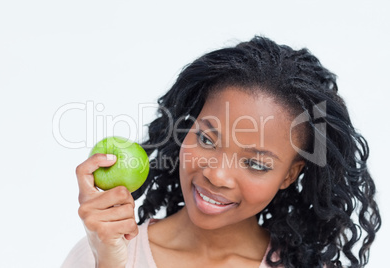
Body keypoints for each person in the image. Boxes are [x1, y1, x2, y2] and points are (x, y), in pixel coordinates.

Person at [62, 36, 381, 268]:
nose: (216, 175)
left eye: (255, 163)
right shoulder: (102, 254)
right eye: (207, 140)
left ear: (289, 175)